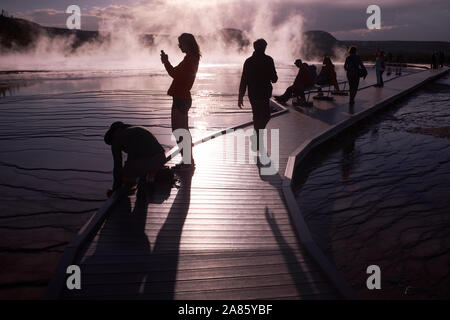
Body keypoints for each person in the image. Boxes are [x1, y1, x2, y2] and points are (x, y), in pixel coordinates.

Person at [161, 33, 200, 169]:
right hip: (182, 97)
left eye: (181, 44)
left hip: (181, 98)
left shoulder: (190, 59)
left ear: (187, 44)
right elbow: (175, 73)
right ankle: (188, 160)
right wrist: (166, 62)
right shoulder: (191, 58)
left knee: (179, 131)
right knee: (183, 131)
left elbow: (175, 74)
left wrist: (166, 62)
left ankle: (187, 161)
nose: (179, 46)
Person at [104, 121, 166, 197]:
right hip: (161, 159)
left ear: (114, 133)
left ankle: (141, 181)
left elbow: (118, 166)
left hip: (149, 161)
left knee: (125, 173)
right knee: (131, 166)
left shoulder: (117, 138)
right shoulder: (135, 129)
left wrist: (115, 188)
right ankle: (150, 177)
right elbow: (135, 155)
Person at [238, 38, 278, 151]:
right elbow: (274, 78)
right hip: (263, 92)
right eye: (264, 47)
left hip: (253, 93)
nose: (264, 49)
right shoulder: (268, 60)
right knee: (265, 116)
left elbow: (243, 80)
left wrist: (240, 96)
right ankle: (257, 137)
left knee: (257, 115)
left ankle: (257, 138)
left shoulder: (249, 61)